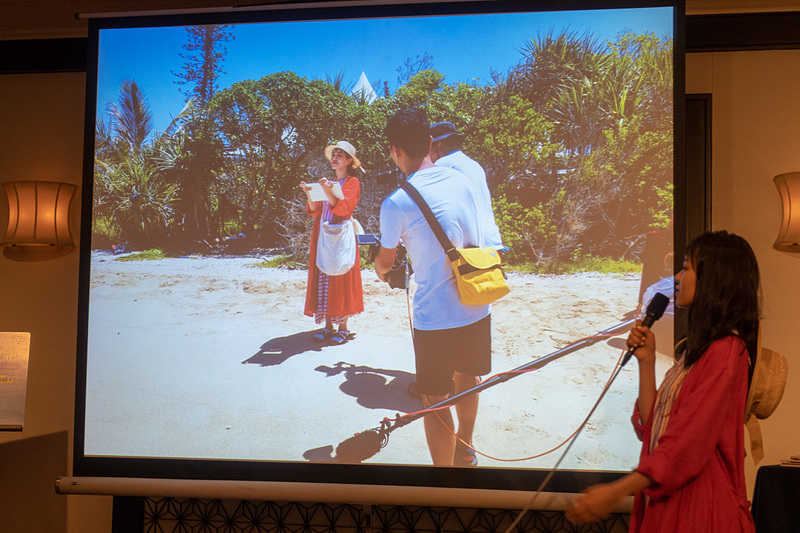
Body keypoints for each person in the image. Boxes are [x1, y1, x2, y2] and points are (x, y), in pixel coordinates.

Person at [566, 230, 760, 532]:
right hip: (669, 502)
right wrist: (647, 362)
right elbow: (651, 424)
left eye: (686, 267)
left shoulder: (727, 351)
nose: (678, 277)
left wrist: (616, 490)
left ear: (715, 279)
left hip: (699, 508)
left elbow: (687, 441)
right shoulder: (694, 351)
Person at [375, 108, 492, 466]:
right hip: (476, 301)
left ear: (394, 151)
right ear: (430, 143)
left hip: (434, 317)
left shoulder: (396, 202)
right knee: (468, 377)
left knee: (435, 399)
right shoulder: (466, 181)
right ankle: (466, 448)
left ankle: (444, 480)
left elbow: (384, 263)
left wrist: (381, 271)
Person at [300, 140, 364, 345]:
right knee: (325, 276)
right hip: (323, 234)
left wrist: (328, 191)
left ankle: (343, 327)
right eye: (333, 154)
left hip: (341, 235)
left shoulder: (352, 183)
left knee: (341, 275)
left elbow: (344, 208)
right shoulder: (326, 182)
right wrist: (310, 194)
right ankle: (328, 325)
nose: (335, 158)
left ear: (348, 161)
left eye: (339, 155)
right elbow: (315, 210)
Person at [429, 121, 503, 251]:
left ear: (439, 145)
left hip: (473, 247)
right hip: (492, 240)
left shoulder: (442, 165)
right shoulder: (473, 164)